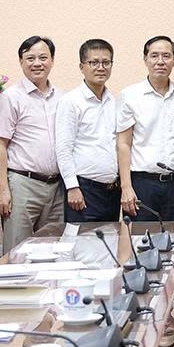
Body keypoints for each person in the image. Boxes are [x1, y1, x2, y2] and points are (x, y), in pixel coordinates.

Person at [0, 36, 65, 252]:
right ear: (21, 61)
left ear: (52, 60)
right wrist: (3, 190)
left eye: (43, 57)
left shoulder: (62, 98)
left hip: (57, 187)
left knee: (53, 250)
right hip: (23, 184)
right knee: (17, 251)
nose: (37, 63)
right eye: (30, 58)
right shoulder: (11, 97)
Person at [117, 36, 174, 222]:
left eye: (166, 56)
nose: (160, 61)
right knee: (141, 238)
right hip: (142, 184)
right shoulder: (130, 95)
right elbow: (123, 144)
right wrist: (126, 187)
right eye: (154, 56)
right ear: (145, 59)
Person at [55, 39, 120, 223]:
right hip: (84, 190)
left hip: (112, 191)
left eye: (106, 62)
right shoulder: (71, 101)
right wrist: (72, 187)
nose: (101, 67)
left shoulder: (113, 101)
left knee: (109, 240)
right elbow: (63, 148)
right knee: (82, 241)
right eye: (94, 62)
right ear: (81, 67)